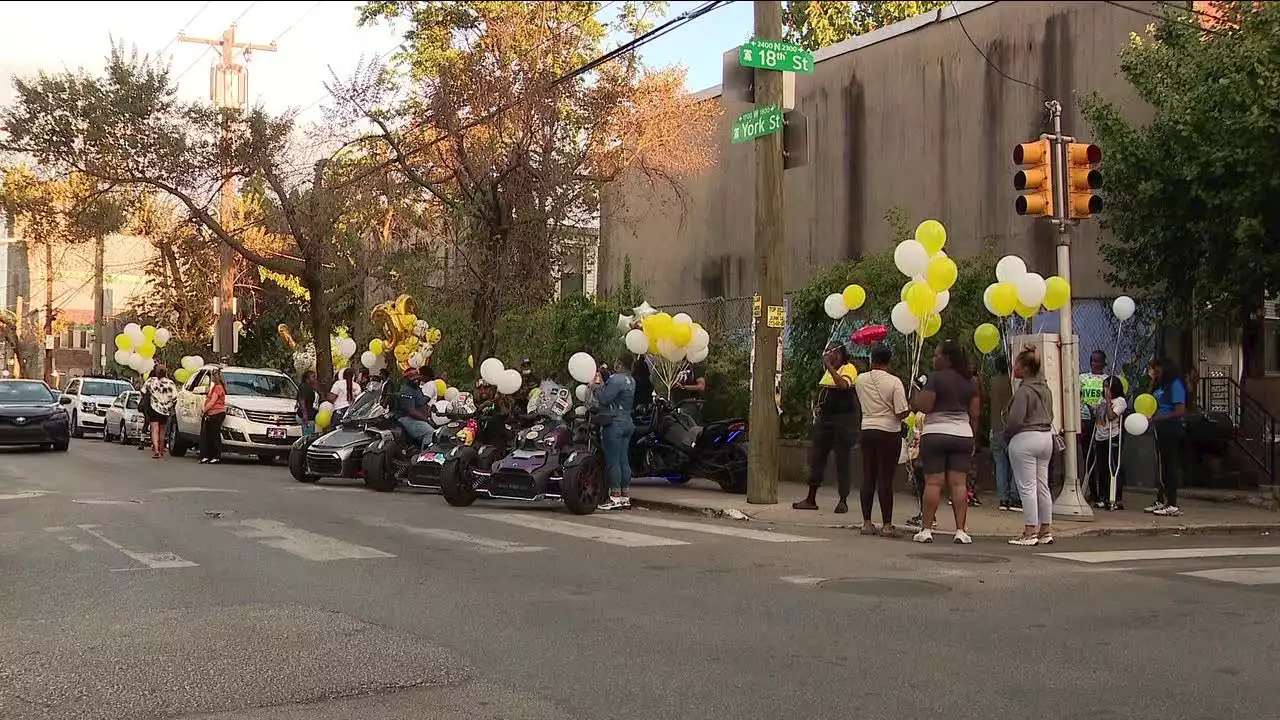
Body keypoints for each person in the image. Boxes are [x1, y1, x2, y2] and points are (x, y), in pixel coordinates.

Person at [911, 340, 980, 544]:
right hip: (962, 434)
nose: (933, 359)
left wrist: (917, 391)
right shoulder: (971, 381)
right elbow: (975, 413)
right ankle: (960, 530)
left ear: (946, 358)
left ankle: (926, 529)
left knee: (933, 482)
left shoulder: (934, 379)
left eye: (936, 355)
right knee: (959, 484)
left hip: (935, 434)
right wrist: (973, 438)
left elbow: (925, 406)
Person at [793, 341, 860, 513]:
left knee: (841, 459)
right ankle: (811, 497)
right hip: (826, 419)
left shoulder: (848, 368)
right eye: (828, 352)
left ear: (840, 354)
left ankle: (843, 499)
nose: (831, 356)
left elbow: (843, 385)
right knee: (817, 457)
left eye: (833, 352)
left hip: (843, 420)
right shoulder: (828, 372)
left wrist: (830, 367)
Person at [854, 344, 908, 535]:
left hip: (867, 428)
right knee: (886, 479)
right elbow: (901, 412)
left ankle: (867, 522)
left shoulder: (860, 379)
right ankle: (886, 525)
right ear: (889, 361)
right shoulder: (895, 382)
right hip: (889, 432)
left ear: (871, 360)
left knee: (868, 477)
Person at [1005, 345, 1056, 546]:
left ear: (1025, 368)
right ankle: (1046, 529)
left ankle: (1029, 531)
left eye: (1017, 364)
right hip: (1046, 437)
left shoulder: (1024, 391)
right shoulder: (1045, 389)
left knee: (1027, 487)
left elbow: (1015, 419)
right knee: (1042, 485)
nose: (1014, 367)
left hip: (1025, 438)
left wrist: (1007, 434)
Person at [592, 353, 637, 511]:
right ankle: (625, 497)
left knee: (613, 461)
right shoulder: (631, 380)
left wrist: (595, 387)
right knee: (624, 459)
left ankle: (614, 497)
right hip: (627, 421)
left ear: (619, 364)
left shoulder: (616, 379)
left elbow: (604, 398)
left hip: (614, 423)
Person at [1146, 357, 1188, 517]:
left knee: (1169, 465)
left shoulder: (1175, 385)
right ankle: (1160, 499)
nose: (1155, 373)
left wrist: (1156, 419)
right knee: (1161, 465)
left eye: (1157, 370)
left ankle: (1172, 503)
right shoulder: (1161, 384)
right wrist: (1152, 380)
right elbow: (1149, 399)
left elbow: (1179, 411)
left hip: (1172, 427)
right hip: (1160, 427)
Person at [1089, 375, 1127, 511]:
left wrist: (1109, 400)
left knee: (1113, 467)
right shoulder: (1101, 400)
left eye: (1107, 387)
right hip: (1100, 436)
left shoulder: (1120, 401)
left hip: (1113, 436)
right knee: (1102, 468)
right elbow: (1099, 418)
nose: (1105, 390)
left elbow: (1111, 417)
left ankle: (1115, 498)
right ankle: (1103, 497)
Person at [989, 355, 1018, 511]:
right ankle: (1014, 496)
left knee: (1000, 464)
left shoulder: (993, 382)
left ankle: (1003, 498)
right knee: (1015, 464)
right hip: (1010, 427)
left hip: (995, 426)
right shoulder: (1012, 383)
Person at [140, 365, 179, 459]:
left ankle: (156, 450)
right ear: (166, 373)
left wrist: (152, 396)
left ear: (156, 373)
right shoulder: (171, 383)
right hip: (165, 410)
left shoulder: (151, 381)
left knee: (154, 429)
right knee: (162, 430)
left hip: (154, 408)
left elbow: (143, 391)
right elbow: (175, 397)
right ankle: (161, 450)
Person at [393, 367, 435, 449]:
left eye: (416, 375)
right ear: (406, 379)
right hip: (405, 417)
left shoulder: (417, 388)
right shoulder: (407, 390)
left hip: (417, 417)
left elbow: (422, 403)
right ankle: (425, 457)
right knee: (430, 432)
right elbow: (411, 412)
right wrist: (427, 421)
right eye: (411, 376)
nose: (415, 378)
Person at [199, 366, 227, 465]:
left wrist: (204, 410)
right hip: (212, 413)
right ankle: (209, 455)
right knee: (209, 435)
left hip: (216, 413)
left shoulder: (218, 388)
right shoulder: (215, 387)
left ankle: (215, 456)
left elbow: (212, 401)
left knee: (214, 435)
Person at [296, 370, 319, 437]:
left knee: (310, 434)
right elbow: (302, 400)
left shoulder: (310, 387)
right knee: (308, 436)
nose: (315, 378)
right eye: (313, 377)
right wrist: (305, 414)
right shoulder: (304, 387)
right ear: (307, 378)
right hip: (307, 416)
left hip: (310, 414)